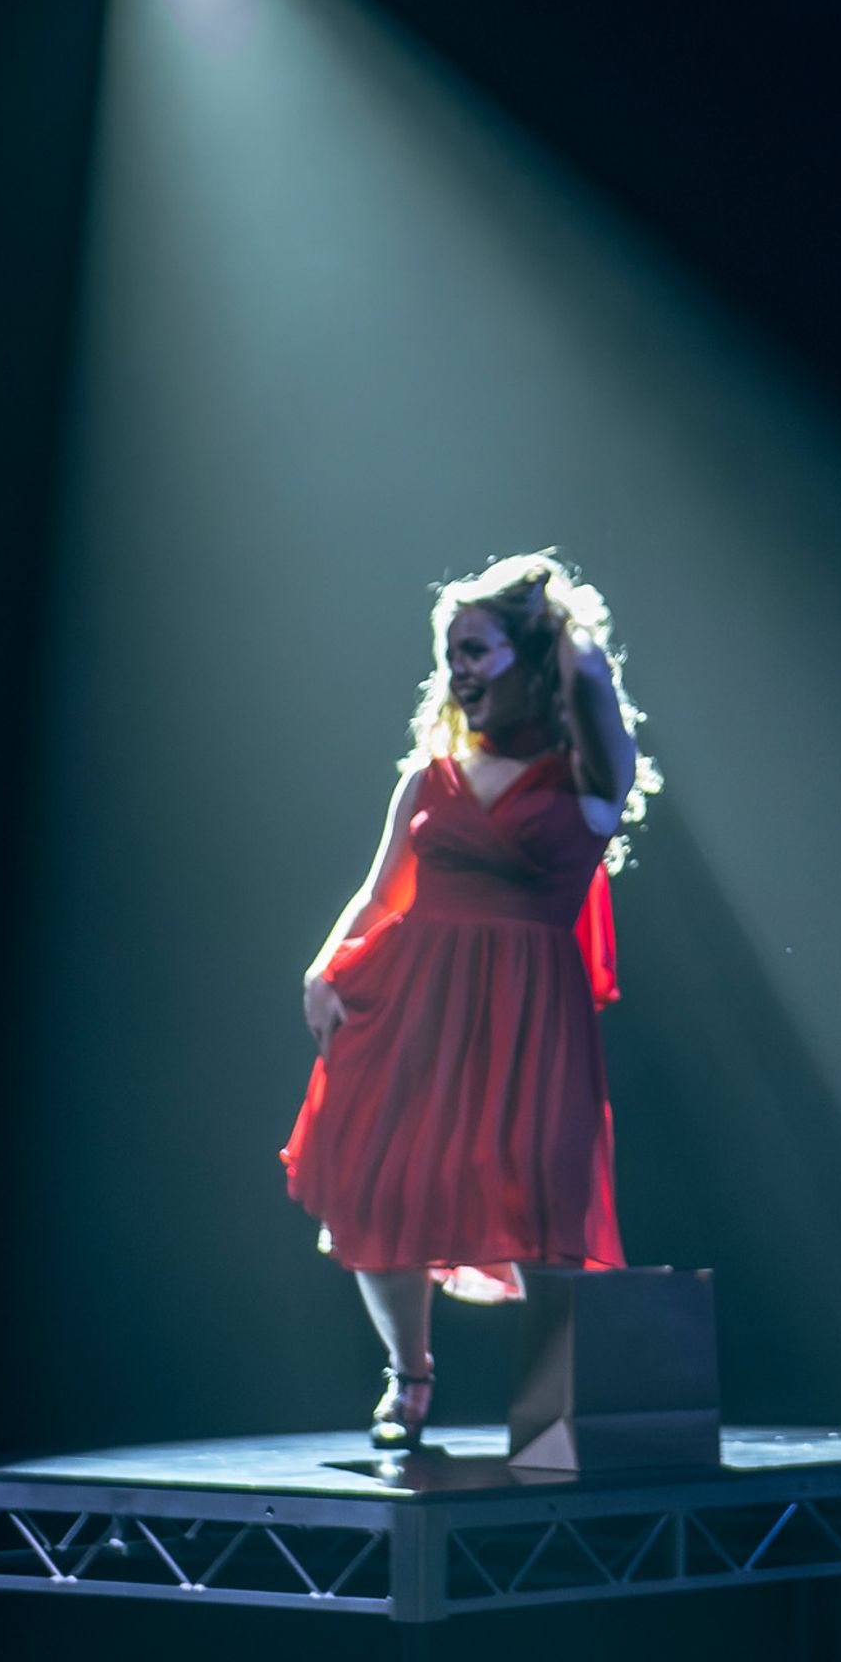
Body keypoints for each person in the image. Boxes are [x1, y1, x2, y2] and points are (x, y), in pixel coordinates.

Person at [281, 553, 651, 1451]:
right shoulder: (428, 777)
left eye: (478, 649)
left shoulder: (586, 784)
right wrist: (324, 967)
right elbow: (379, 895)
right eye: (450, 652)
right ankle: (409, 1375)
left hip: (528, 1019)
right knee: (382, 1182)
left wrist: (554, 625)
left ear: (534, 657)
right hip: (413, 1007)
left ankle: (565, 1410)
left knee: (539, 1197)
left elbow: (594, 688)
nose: (458, 669)